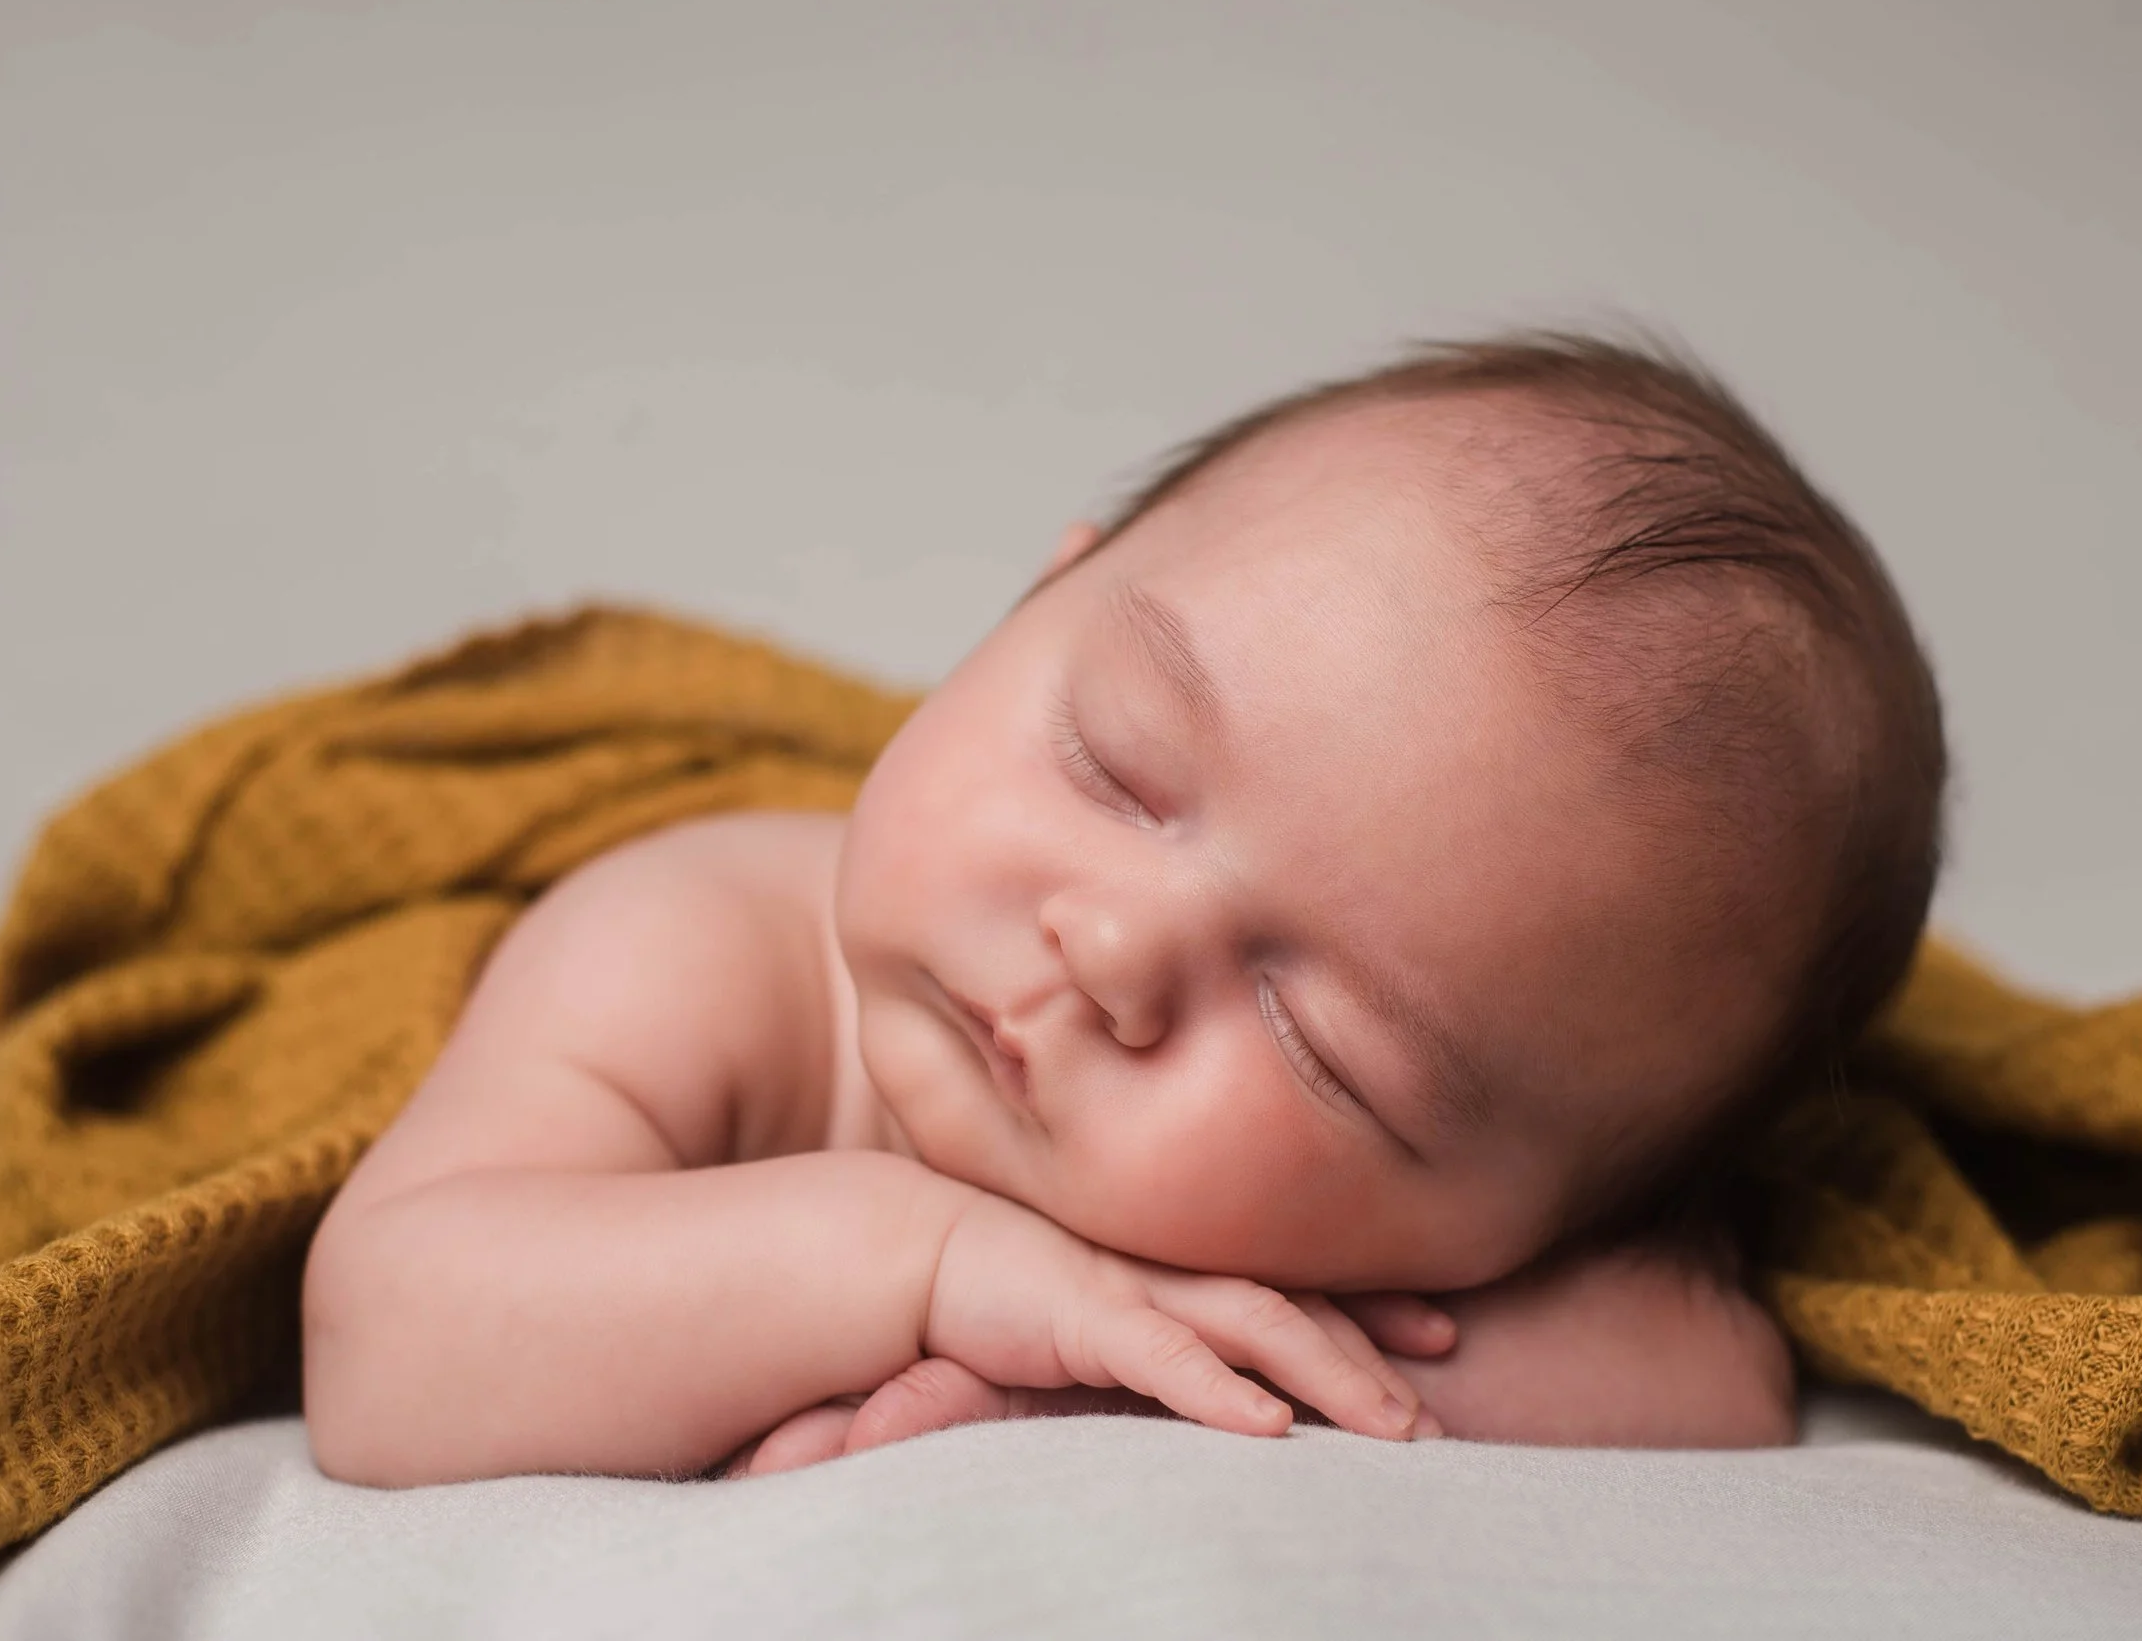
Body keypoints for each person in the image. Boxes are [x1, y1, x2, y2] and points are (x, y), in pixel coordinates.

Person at [300, 331, 1948, 1486]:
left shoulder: (1417, 1255)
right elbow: (392, 1342)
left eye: (1324, 1049)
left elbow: (1714, 1377)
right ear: (1038, 597)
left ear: (1514, 1235)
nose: (1115, 950)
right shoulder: (692, 947)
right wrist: (926, 1268)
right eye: (1118, 766)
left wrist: (1095, 1386)